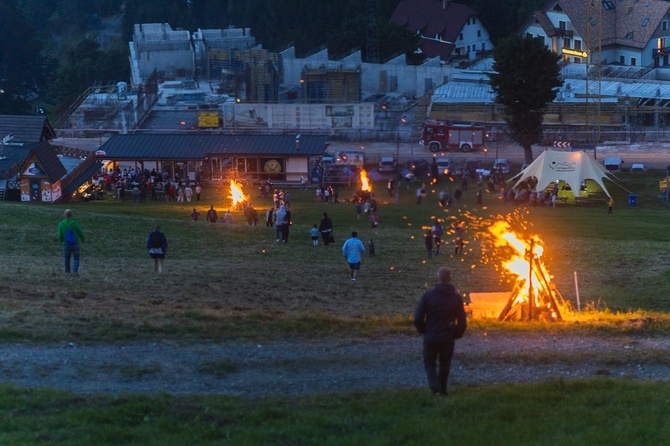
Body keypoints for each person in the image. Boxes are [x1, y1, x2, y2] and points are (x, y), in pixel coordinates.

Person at [414, 267, 467, 396]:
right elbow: (462, 320)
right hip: (447, 337)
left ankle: (434, 387)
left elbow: (418, 317)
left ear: (438, 278)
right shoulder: (456, 298)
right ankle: (442, 389)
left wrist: (423, 330)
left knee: (430, 363)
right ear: (450, 278)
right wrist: (457, 334)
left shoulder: (429, 296)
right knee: (445, 364)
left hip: (430, 336)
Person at [57, 209, 85, 274]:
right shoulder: (75, 223)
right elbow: (80, 232)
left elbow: (59, 235)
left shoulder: (61, 224)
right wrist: (83, 239)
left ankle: (67, 271)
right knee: (76, 258)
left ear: (64, 215)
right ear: (71, 215)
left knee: (67, 259)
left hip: (66, 243)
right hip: (75, 243)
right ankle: (75, 271)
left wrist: (62, 241)